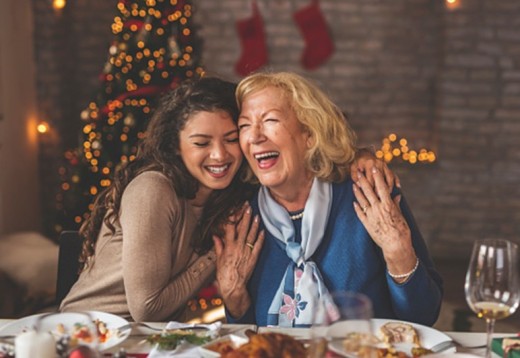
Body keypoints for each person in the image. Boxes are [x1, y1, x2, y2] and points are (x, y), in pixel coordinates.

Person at [214, 72, 443, 327]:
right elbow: (246, 335)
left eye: (270, 120)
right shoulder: (243, 216)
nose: (254, 136)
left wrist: (399, 252)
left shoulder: (369, 193)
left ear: (310, 134)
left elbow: (424, 317)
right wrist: (234, 297)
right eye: (244, 125)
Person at [60, 77, 257, 321]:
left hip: (150, 339)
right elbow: (147, 310)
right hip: (89, 335)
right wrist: (220, 252)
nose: (219, 154)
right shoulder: (153, 189)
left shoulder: (226, 199)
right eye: (201, 143)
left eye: (231, 139)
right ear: (175, 145)